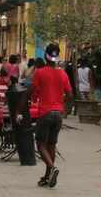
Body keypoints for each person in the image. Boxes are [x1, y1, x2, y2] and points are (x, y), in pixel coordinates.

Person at [30, 43, 73, 188]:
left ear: (45, 55)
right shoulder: (63, 73)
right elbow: (70, 94)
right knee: (52, 145)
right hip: (58, 114)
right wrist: (66, 110)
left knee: (41, 144)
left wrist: (33, 99)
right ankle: (48, 176)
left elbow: (33, 91)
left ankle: (52, 167)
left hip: (45, 113)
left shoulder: (39, 72)